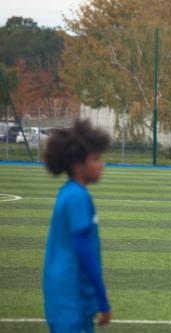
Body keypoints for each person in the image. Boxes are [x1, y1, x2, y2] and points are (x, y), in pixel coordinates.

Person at [43, 119, 112, 333]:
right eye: (95, 159)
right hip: (70, 294)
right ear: (78, 164)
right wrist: (103, 299)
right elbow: (84, 251)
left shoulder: (69, 192)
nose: (102, 164)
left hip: (66, 291)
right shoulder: (77, 198)